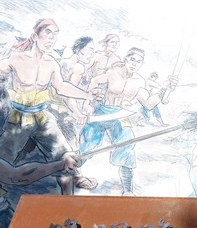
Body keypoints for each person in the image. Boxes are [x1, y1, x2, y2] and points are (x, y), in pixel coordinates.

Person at [0, 19, 100, 183]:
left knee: (67, 156)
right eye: (48, 33)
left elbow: (61, 87)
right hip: (18, 119)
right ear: (35, 36)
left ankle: (72, 188)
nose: (52, 38)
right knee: (4, 165)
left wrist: (87, 95)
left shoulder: (52, 63)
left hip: (43, 117)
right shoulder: (16, 59)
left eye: (55, 34)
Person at [80, 47, 177, 195]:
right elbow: (94, 82)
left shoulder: (139, 82)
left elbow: (148, 104)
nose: (134, 64)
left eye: (138, 62)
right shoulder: (112, 73)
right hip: (101, 112)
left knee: (127, 146)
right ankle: (74, 174)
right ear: (126, 59)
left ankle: (127, 191)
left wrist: (164, 89)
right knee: (87, 145)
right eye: (132, 60)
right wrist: (88, 103)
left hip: (121, 116)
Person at [50, 36, 99, 192]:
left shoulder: (61, 62)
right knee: (73, 144)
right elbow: (67, 93)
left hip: (49, 108)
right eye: (90, 49)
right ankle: (78, 177)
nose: (92, 53)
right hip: (60, 111)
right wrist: (77, 112)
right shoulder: (78, 67)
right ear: (79, 49)